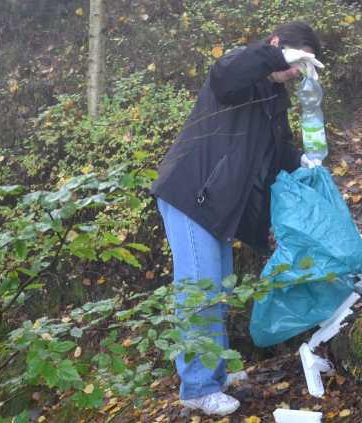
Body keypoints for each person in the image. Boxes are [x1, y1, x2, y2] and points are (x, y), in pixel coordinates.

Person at [150, 22, 323, 416]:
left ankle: (217, 372)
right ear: (277, 45)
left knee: (219, 293)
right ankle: (197, 386)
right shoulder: (239, 69)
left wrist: (304, 163)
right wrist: (275, 58)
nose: (297, 72)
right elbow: (226, 76)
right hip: (190, 196)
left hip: (218, 208)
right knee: (201, 293)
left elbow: (276, 152)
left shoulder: (274, 97)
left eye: (303, 66)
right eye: (296, 60)